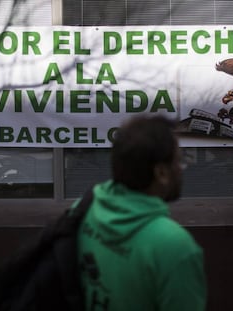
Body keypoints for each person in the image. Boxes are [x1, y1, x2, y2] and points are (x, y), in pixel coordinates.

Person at [77, 114, 207, 311]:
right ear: (161, 173)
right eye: (179, 162)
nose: (182, 169)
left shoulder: (83, 209)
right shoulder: (175, 246)